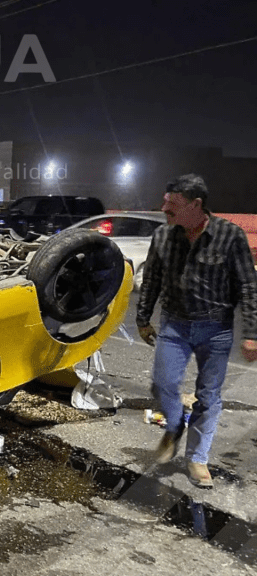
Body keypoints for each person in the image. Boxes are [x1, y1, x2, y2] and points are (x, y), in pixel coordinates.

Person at [136, 173, 257, 488]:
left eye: (172, 204)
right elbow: (151, 280)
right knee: (162, 384)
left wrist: (252, 333)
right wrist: (143, 318)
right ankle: (174, 426)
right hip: (174, 325)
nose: (164, 209)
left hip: (216, 329)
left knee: (208, 396)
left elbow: (248, 286)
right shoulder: (163, 236)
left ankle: (197, 459)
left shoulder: (230, 236)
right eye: (165, 202)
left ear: (196, 204)